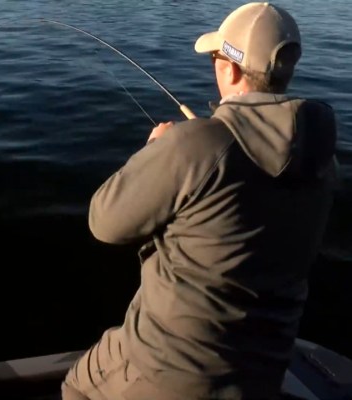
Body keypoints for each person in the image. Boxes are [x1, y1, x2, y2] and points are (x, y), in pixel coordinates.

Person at [61, 2, 338, 400]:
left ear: (231, 70)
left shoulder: (195, 145)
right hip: (261, 372)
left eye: (215, 58)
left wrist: (157, 150)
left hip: (172, 371)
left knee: (76, 386)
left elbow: (104, 222)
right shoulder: (322, 161)